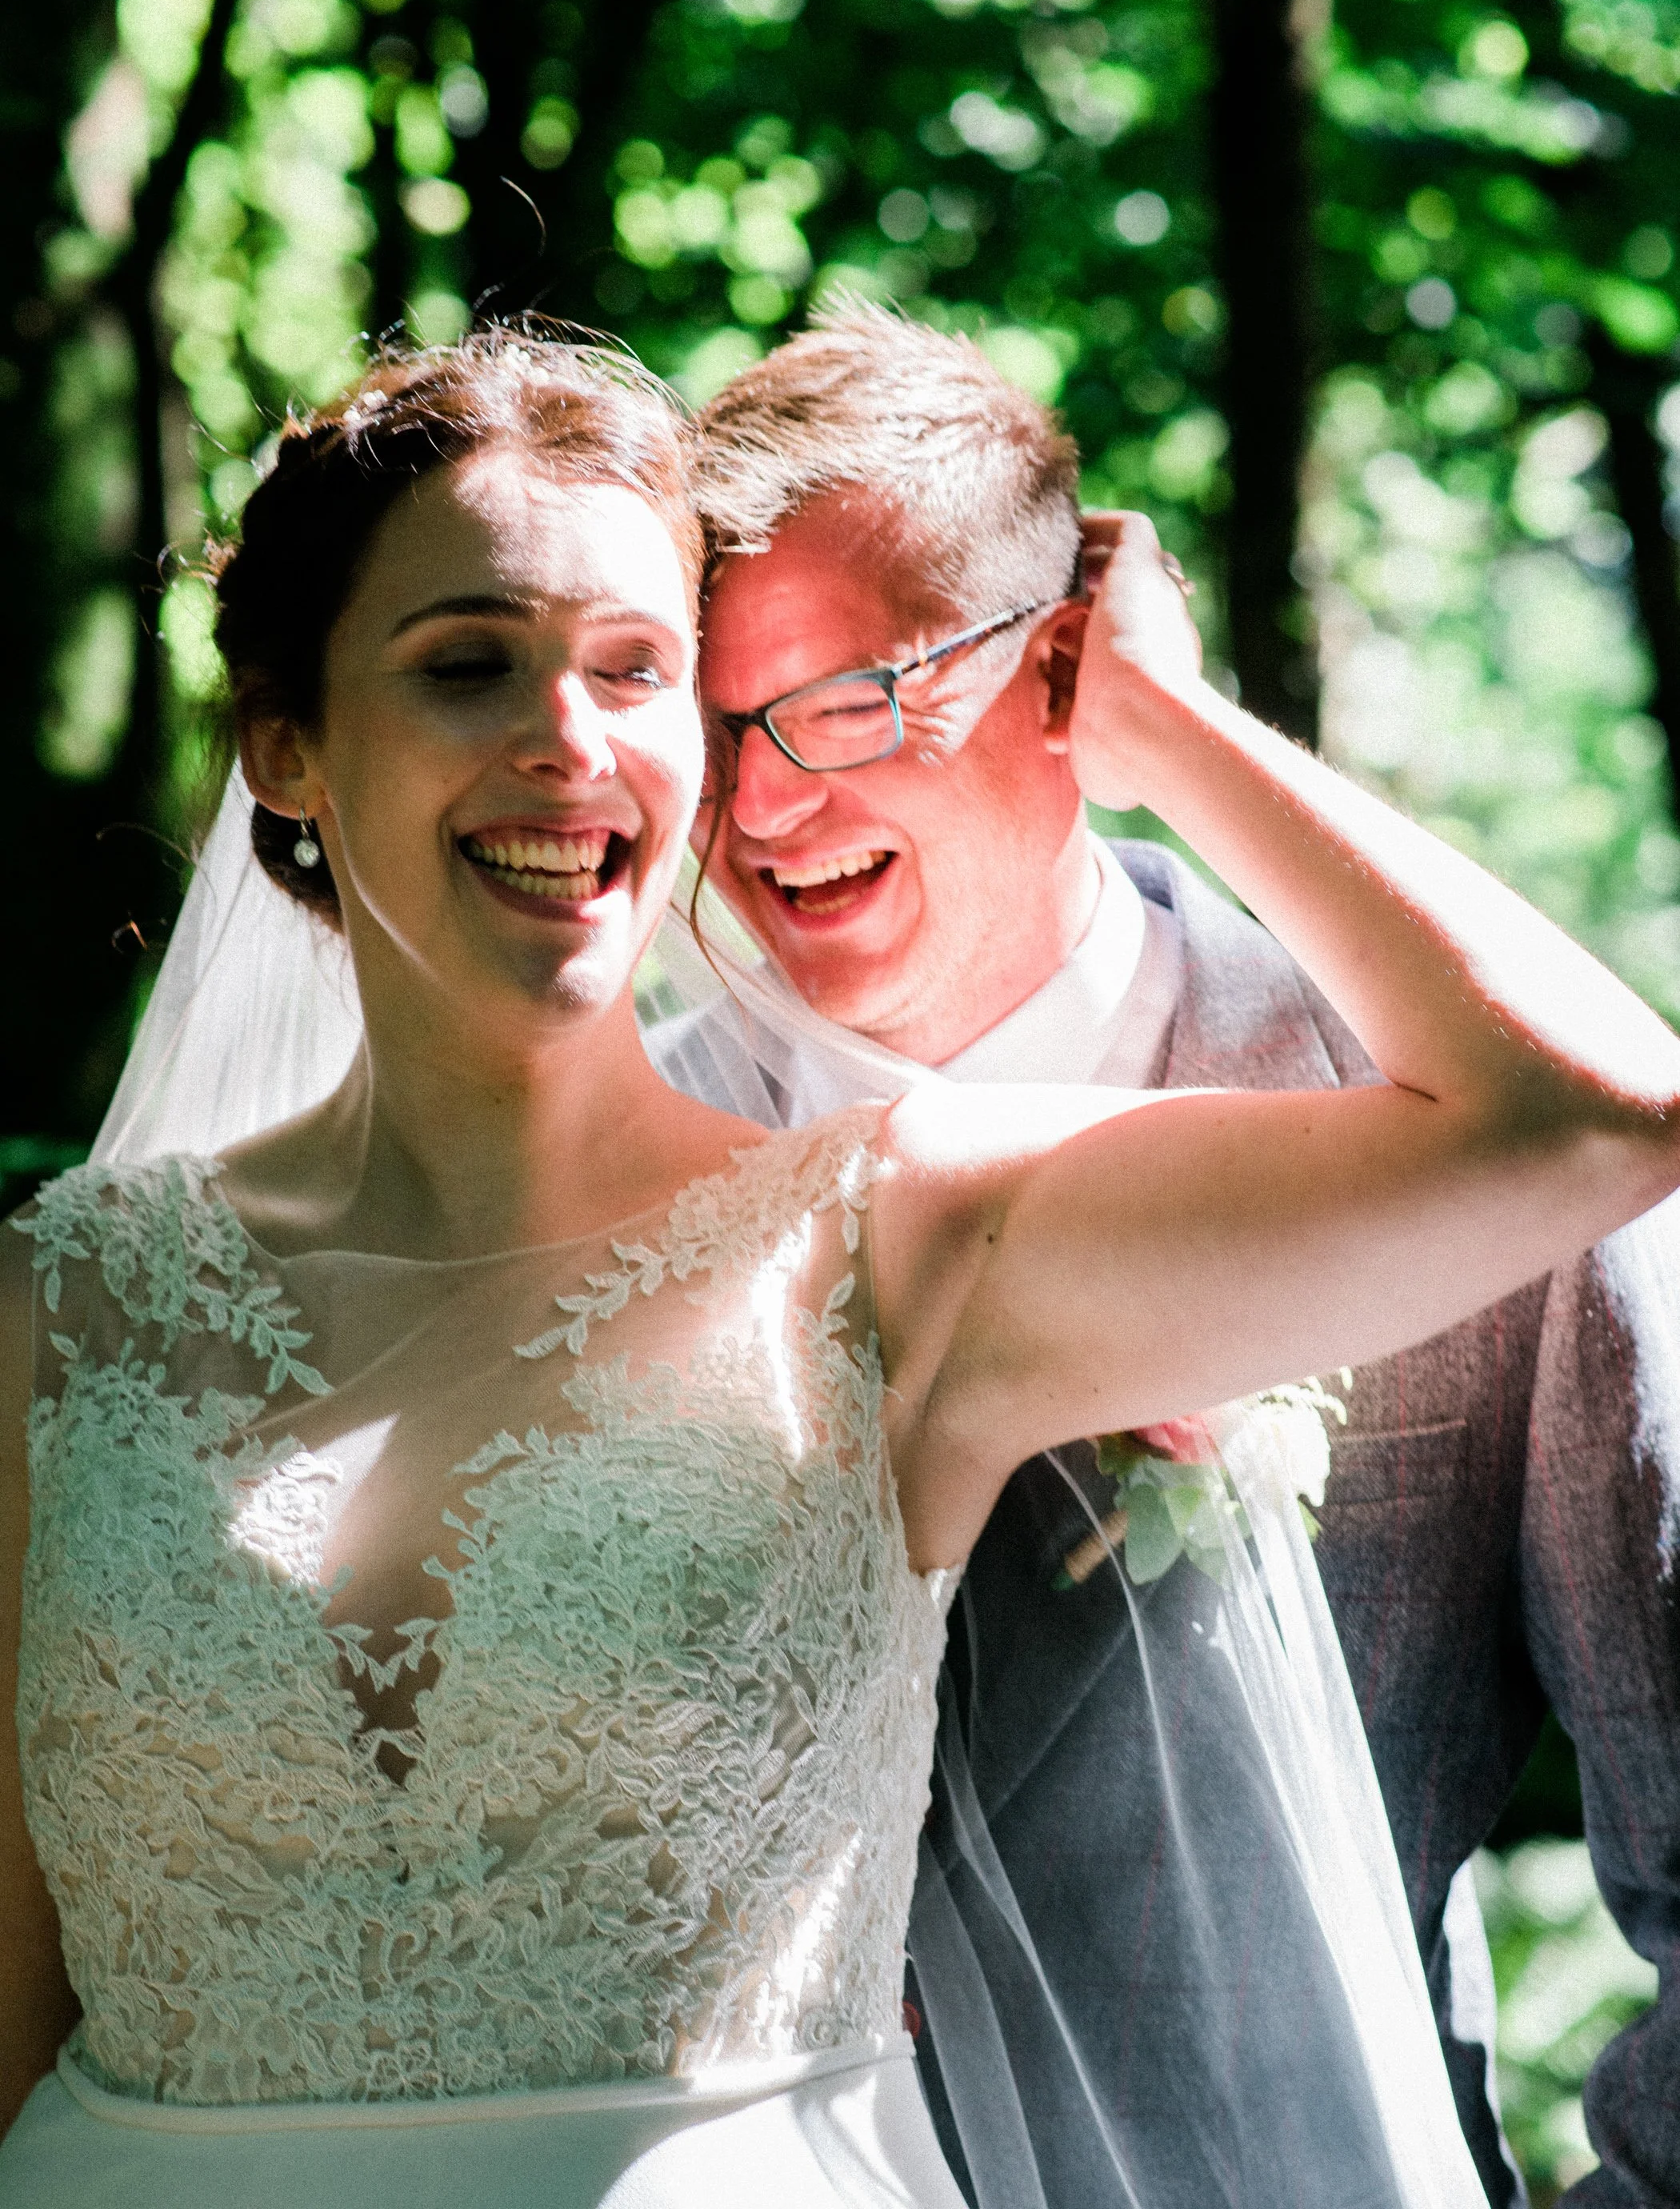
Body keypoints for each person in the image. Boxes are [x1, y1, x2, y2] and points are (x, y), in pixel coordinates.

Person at [2, 325, 1678, 2209]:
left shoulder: (907, 1224)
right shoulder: (70, 1311)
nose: (598, 744)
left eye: (654, 677)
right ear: (287, 746)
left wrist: (1175, 734)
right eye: (476, 664)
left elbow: (1605, 1119)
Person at [648, 302, 1680, 2209]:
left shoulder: (1450, 1133)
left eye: (856, 698)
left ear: (1062, 672)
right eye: (712, 730)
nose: (767, 804)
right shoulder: (635, 1170)